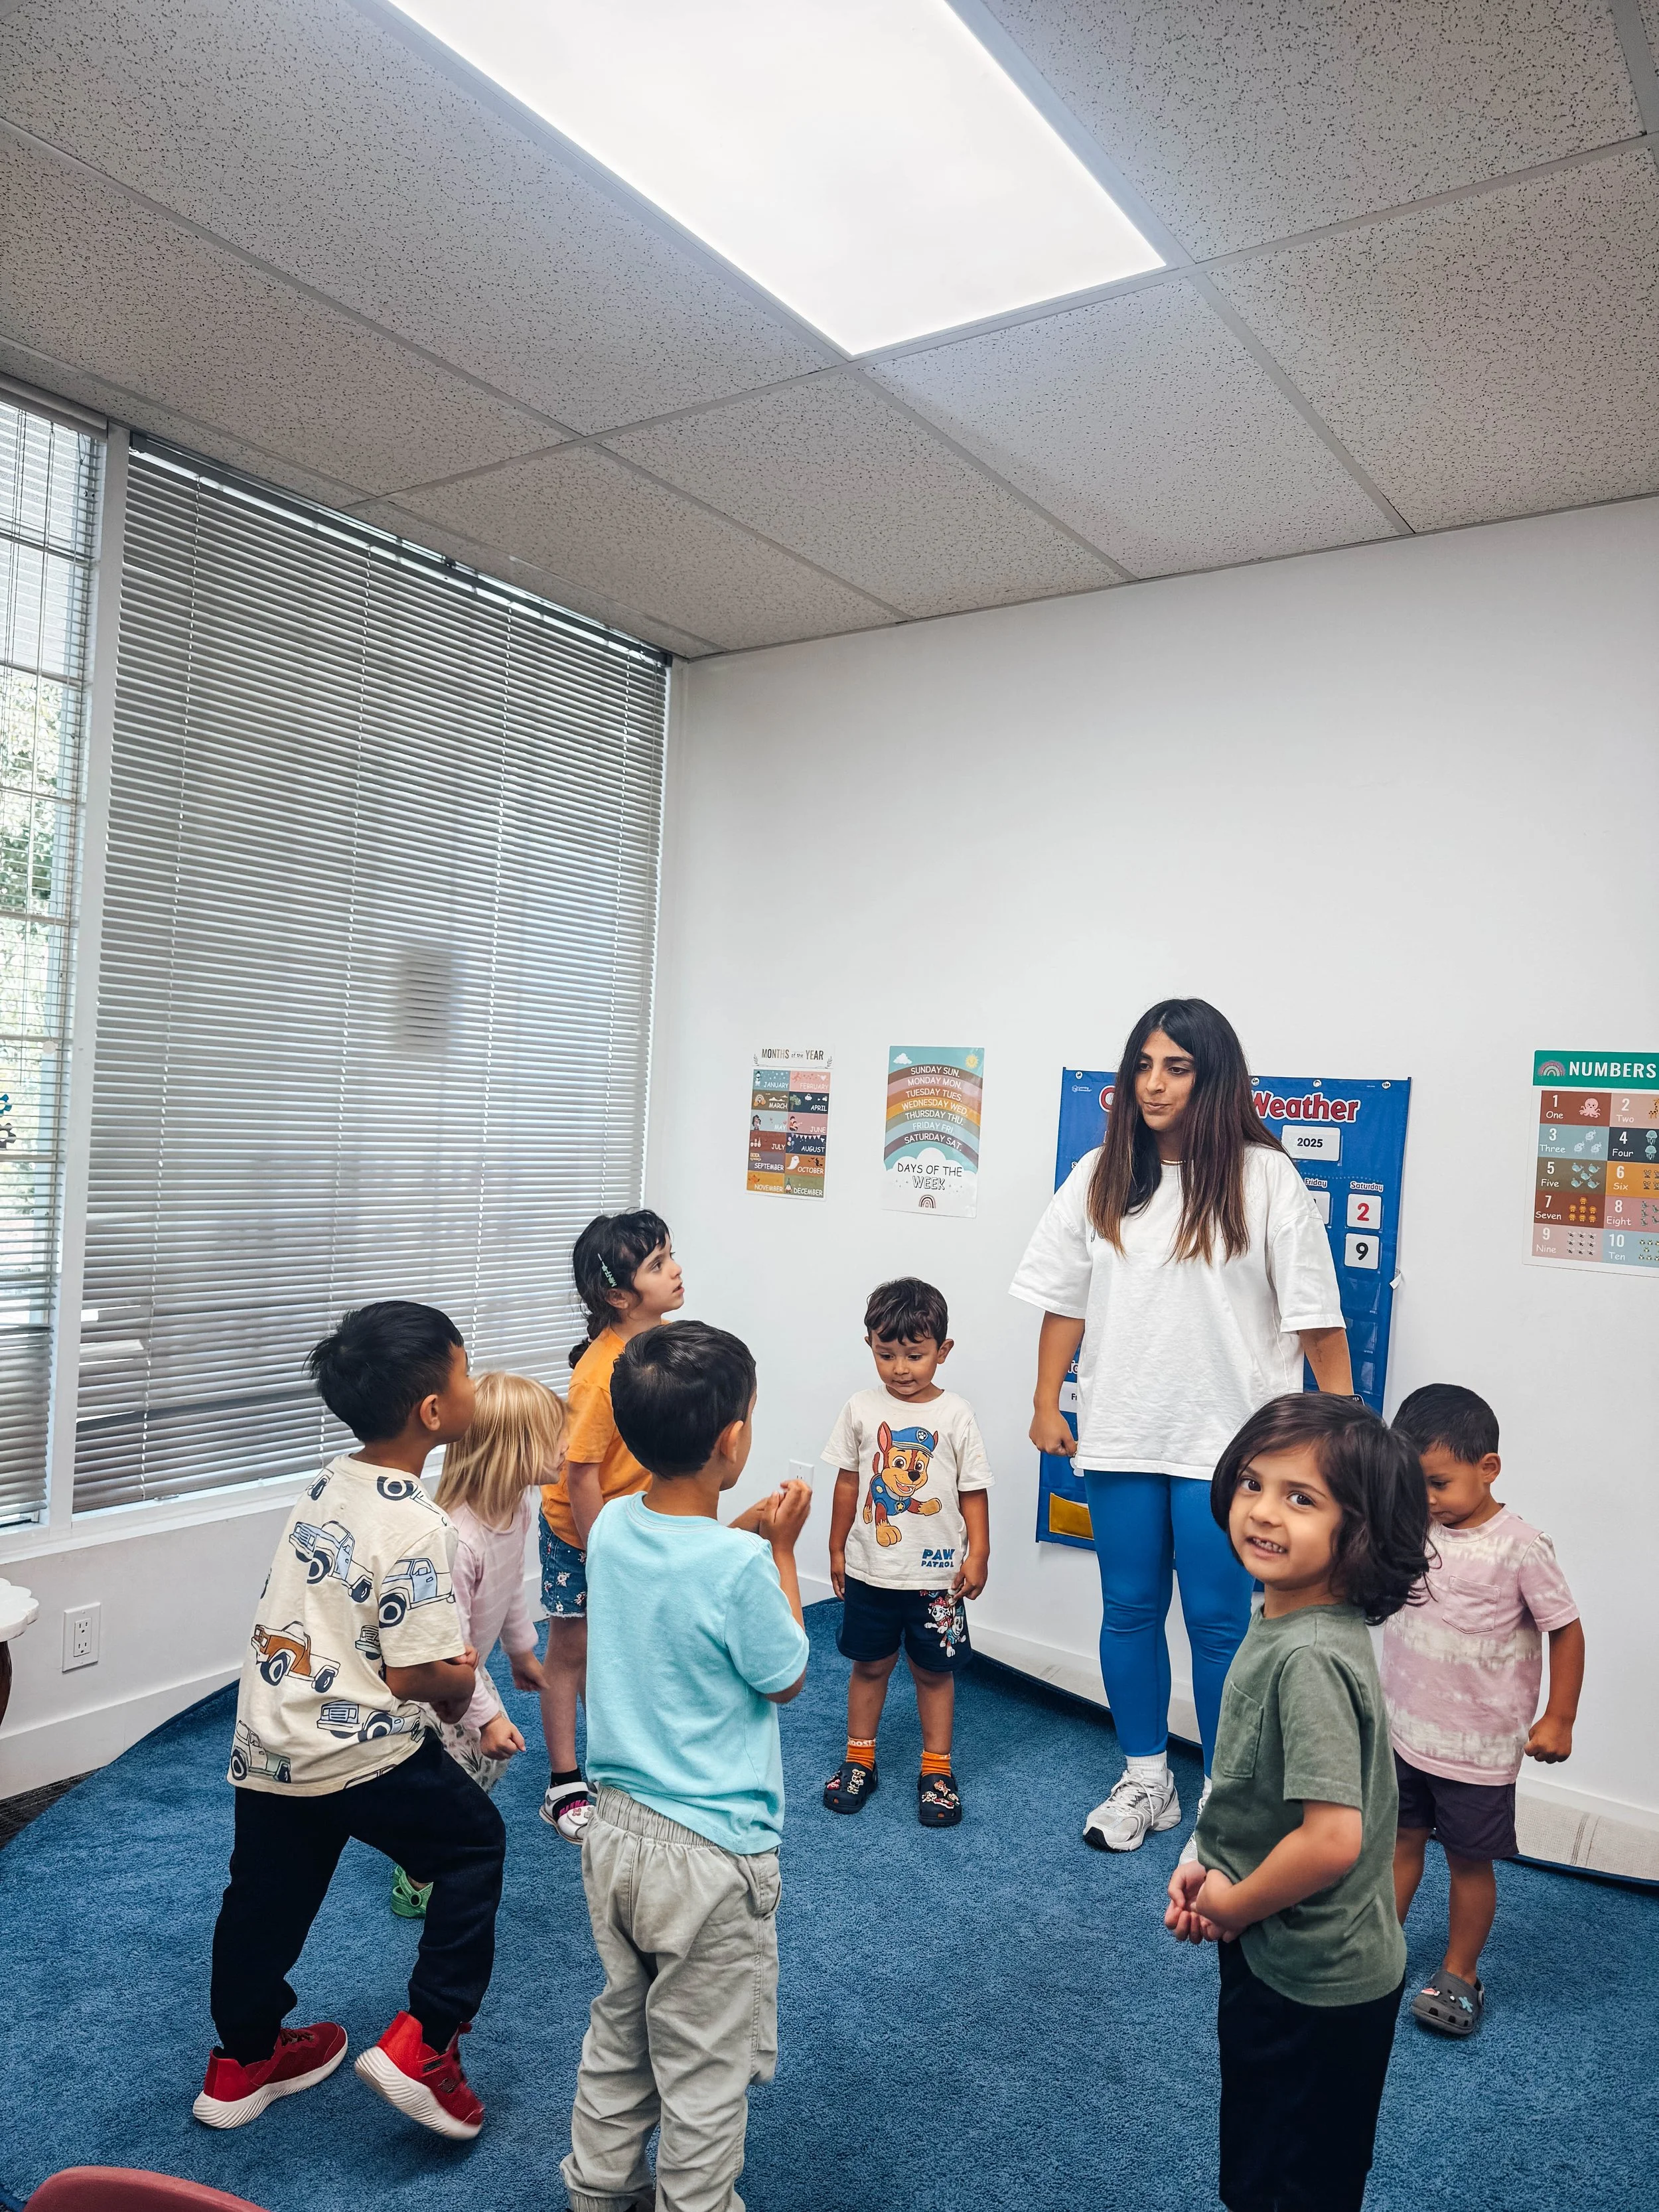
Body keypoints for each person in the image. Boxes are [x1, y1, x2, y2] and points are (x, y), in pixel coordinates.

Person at [1012, 996, 1350, 1852]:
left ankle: (1225, 1798)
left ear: (1213, 1077)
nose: (1154, 1084)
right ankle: (1147, 1780)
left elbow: (1316, 1314)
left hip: (1235, 1448)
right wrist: (1046, 1399)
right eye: (1143, 1065)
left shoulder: (1265, 1178)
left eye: (1177, 1067)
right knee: (1126, 1611)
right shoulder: (1100, 1174)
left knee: (1217, 1622)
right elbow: (1062, 1301)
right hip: (1124, 1431)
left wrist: (1342, 1426)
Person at [195, 1301, 504, 2141]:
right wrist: (462, 1678)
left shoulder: (329, 1480)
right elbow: (414, 1673)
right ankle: (425, 2046)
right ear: (433, 1413)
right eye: (464, 1372)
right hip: (365, 1751)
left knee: (264, 1900)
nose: (473, 1386)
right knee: (474, 1845)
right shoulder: (418, 1523)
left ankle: (244, 2059)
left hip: (269, 1743)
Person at [561, 1322, 813, 2212]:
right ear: (733, 1440)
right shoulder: (744, 1564)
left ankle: (596, 2193)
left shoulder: (615, 1529)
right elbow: (785, 1673)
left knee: (621, 2031)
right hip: (709, 1859)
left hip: (616, 1834)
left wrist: (744, 1539)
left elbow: (681, 1570)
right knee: (705, 2071)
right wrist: (782, 1550)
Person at [1166, 1394, 1431, 2212]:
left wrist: (1233, 1906)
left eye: (1300, 1498)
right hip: (1281, 1949)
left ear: (1360, 1533)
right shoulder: (1283, 1615)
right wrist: (1203, 1858)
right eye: (1253, 1482)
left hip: (1315, 1979)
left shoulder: (1309, 1658)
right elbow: (1259, 1787)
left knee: (1289, 2182)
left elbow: (1330, 1842)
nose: (1262, 1511)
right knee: (1261, 2153)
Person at [1384, 1383, 1583, 2037]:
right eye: (1416, 1487)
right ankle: (1377, 1950)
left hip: (1477, 1751)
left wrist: (1559, 1718)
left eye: (1437, 1483)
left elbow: (1566, 1629)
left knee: (1468, 1862)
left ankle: (1461, 1972)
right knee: (1398, 1842)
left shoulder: (1520, 1546)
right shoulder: (1415, 1526)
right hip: (1405, 1734)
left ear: (1487, 1467)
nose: (1427, 1499)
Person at [388, 1371, 565, 1917]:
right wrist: (486, 1717)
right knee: (463, 1777)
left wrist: (521, 1651)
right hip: (434, 1678)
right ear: (516, 1450)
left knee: (486, 1770)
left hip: (469, 1665)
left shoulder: (518, 1508)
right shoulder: (459, 1539)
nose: (567, 1447)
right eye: (555, 1437)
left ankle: (429, 1836)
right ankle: (417, 1870)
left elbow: (511, 1588)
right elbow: (449, 1638)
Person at [820, 1276, 992, 1827]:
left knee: (934, 1673)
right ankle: (859, 1759)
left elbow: (973, 1489)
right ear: (869, 1343)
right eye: (885, 1353)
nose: (900, 1367)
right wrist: (836, 1545)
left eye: (915, 1355)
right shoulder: (860, 1408)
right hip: (872, 1570)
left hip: (938, 1578)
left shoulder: (957, 1414)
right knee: (869, 1666)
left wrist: (979, 1551)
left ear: (942, 1351)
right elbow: (849, 1483)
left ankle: (937, 1770)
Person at [538, 1209, 685, 1840]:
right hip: (583, 1532)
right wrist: (605, 1551)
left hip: (627, 1518)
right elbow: (579, 1475)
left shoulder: (660, 1343)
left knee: (616, 1648)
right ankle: (564, 1783)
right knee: (571, 1651)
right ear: (619, 1295)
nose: (676, 1270)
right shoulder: (600, 1374)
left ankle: (614, 1759)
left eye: (671, 1255)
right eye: (658, 1265)